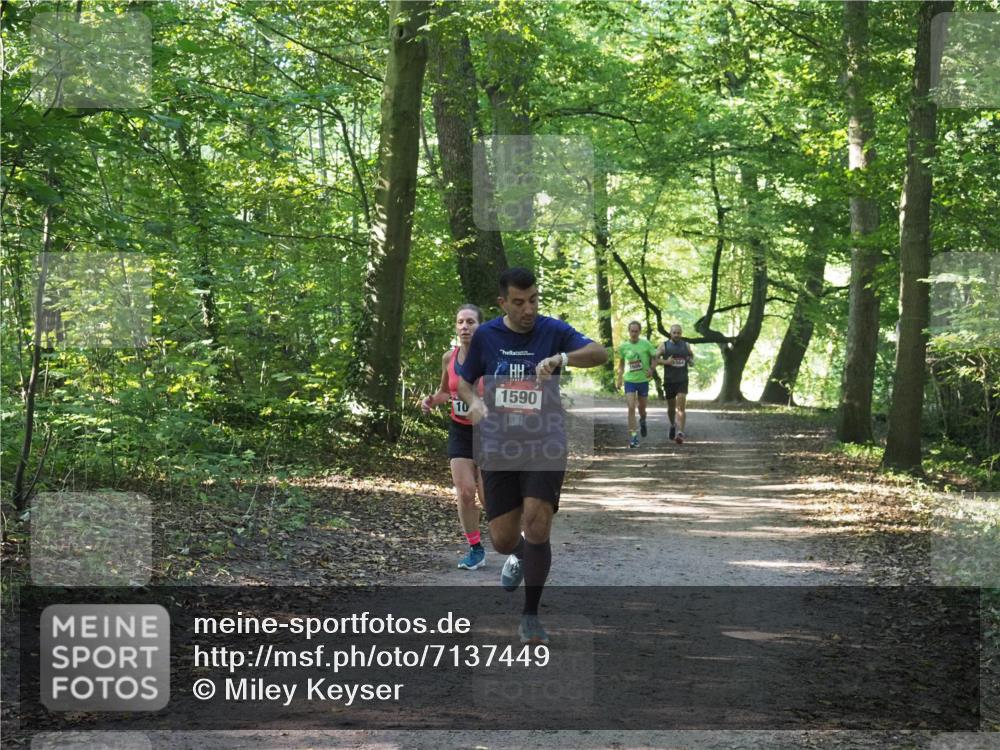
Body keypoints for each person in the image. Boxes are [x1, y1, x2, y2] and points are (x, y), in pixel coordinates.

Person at [457, 268, 608, 645]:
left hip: (545, 442)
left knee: (538, 523)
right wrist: (474, 403)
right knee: (503, 539)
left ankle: (530, 616)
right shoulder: (487, 336)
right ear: (503, 303)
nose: (529, 309)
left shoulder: (553, 331)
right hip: (498, 445)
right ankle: (520, 555)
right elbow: (462, 380)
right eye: (520, 302)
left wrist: (562, 359)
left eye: (534, 300)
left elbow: (600, 352)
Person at [421, 304, 487, 570]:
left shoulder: (492, 358)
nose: (464, 327)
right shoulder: (449, 358)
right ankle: (475, 548)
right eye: (460, 322)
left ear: (480, 327)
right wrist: (431, 400)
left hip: (489, 432)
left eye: (470, 322)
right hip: (460, 430)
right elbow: (446, 392)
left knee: (489, 498)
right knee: (465, 491)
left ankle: (515, 539)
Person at [615, 321, 657, 449]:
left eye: (636, 331)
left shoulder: (645, 344)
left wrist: (652, 369)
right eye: (632, 331)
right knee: (631, 407)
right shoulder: (623, 347)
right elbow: (621, 364)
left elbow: (655, 357)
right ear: (629, 331)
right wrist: (619, 378)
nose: (634, 333)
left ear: (639, 332)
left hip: (643, 380)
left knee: (642, 409)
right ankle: (633, 437)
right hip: (630, 381)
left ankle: (643, 420)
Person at [655, 323, 694, 444]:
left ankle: (680, 432)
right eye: (674, 333)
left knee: (681, 407)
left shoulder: (686, 345)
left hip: (682, 380)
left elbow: (691, 357)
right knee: (671, 408)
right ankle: (672, 425)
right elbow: (654, 359)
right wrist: (666, 362)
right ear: (670, 333)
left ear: (681, 334)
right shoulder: (664, 346)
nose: (677, 335)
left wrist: (690, 360)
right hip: (669, 381)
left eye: (679, 333)